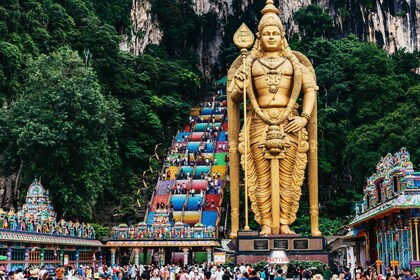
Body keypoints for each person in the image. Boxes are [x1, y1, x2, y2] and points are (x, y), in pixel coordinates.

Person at [229, 0, 319, 235]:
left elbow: (310, 90)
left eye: (274, 33)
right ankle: (266, 224)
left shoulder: (295, 64)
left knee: (288, 178)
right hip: (258, 122)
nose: (270, 37)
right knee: (261, 178)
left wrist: (305, 117)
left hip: (290, 121)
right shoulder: (250, 63)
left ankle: (285, 223)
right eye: (266, 33)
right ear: (258, 37)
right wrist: (241, 85)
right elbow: (235, 97)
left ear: (282, 36)